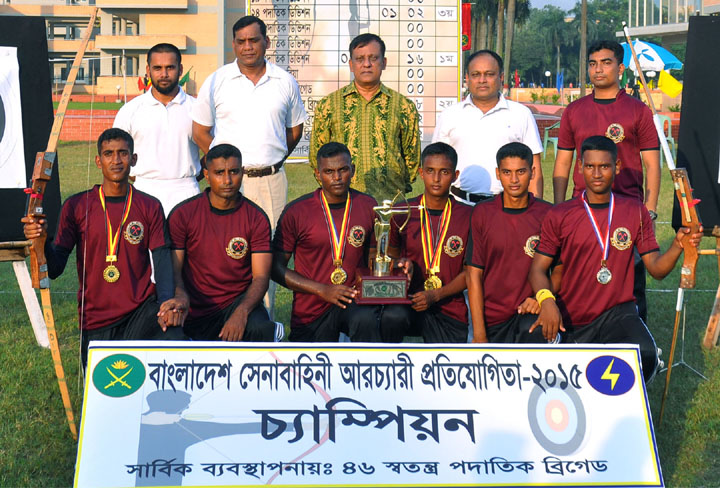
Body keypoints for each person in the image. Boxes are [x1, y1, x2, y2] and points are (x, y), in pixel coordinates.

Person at [530, 136, 703, 382]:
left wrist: (677, 246)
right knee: (542, 362)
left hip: (617, 313)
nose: (597, 173)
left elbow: (656, 268)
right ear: (580, 167)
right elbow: (537, 269)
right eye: (590, 166)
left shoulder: (635, 210)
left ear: (617, 167)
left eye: (604, 166)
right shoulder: (560, 214)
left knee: (646, 355)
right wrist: (547, 302)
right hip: (571, 313)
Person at [22, 128, 186, 367]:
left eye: (123, 153)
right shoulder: (77, 205)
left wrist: (166, 304)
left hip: (141, 311)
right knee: (104, 393)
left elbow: (161, 261)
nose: (116, 160)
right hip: (96, 317)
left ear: (134, 159)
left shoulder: (149, 205)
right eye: (109, 154)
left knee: (174, 337)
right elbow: (55, 267)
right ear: (98, 161)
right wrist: (41, 240)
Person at [191, 15, 307, 316]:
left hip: (270, 180)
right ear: (233, 45)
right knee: (225, 250)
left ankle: (261, 324)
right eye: (241, 41)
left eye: (253, 40)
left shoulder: (285, 81)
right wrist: (224, 167)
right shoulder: (218, 80)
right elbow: (200, 131)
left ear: (266, 42)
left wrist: (272, 155)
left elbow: (294, 131)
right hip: (228, 183)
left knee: (265, 254)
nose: (247, 47)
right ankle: (220, 315)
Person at [553, 40, 661, 323]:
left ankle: (639, 352)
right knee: (577, 284)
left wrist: (648, 209)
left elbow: (652, 163)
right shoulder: (574, 111)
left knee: (630, 287)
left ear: (621, 67)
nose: (598, 69)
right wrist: (558, 209)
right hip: (582, 211)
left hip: (626, 211)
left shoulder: (638, 111)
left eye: (606, 62)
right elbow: (563, 163)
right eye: (593, 63)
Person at [272, 142, 408, 342]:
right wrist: (322, 289)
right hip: (312, 307)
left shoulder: (368, 205)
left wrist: (392, 265)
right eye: (329, 171)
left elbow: (373, 257)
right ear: (318, 174)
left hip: (354, 300)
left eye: (343, 170)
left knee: (366, 321)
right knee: (311, 368)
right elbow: (275, 268)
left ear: (352, 170)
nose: (336, 178)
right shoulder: (297, 211)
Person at [165, 144, 276, 342]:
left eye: (234, 172)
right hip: (194, 305)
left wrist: (241, 312)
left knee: (260, 328)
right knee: (167, 333)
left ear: (242, 173)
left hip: (238, 303)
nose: (227, 180)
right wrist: (181, 296)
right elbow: (174, 272)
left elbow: (261, 278)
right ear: (206, 175)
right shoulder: (183, 214)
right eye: (219, 173)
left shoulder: (256, 218)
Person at [309, 33, 421, 203]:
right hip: (343, 203)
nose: (367, 64)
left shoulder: (404, 106)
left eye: (373, 58)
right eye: (360, 59)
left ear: (383, 63)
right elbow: (317, 156)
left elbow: (412, 160)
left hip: (390, 202)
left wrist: (395, 184)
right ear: (351, 65)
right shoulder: (328, 105)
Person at [466, 142, 553, 343]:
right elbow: (473, 274)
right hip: (492, 316)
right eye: (507, 172)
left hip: (530, 311)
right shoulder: (482, 212)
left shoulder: (547, 213)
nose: (514, 180)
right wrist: (479, 334)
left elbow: (559, 270)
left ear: (532, 172)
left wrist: (543, 297)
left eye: (521, 172)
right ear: (498, 173)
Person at [387, 142, 473, 343]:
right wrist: (399, 263)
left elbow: (471, 272)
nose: (436, 179)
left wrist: (436, 295)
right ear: (421, 173)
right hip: (408, 301)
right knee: (391, 318)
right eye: (430, 171)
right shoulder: (401, 212)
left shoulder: (469, 216)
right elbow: (388, 255)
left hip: (448, 305)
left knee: (446, 368)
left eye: (444, 172)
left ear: (455, 175)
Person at [432, 49, 544, 203]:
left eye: (489, 74)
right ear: (467, 78)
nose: (482, 80)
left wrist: (534, 211)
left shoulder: (521, 114)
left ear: (501, 77)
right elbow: (436, 164)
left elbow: (535, 169)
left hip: (507, 206)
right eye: (476, 74)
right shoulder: (450, 115)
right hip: (459, 205)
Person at [113, 43, 201, 216]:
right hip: (143, 189)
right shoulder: (130, 110)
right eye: (158, 68)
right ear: (148, 70)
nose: (164, 74)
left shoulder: (197, 108)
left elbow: (215, 151)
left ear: (180, 69)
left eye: (170, 67)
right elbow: (117, 153)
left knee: (184, 244)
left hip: (187, 190)